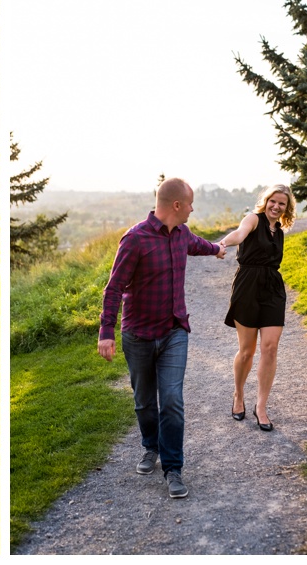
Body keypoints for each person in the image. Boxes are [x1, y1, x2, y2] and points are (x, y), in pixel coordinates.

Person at [98, 178, 226, 499]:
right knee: (144, 401)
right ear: (177, 205)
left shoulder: (182, 234)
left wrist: (218, 249)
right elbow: (113, 289)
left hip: (174, 331)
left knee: (171, 400)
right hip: (138, 335)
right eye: (191, 203)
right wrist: (106, 333)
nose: (194, 209)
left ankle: (173, 468)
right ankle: (149, 447)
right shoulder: (135, 240)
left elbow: (199, 244)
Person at [218, 184, 295, 432]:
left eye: (282, 203)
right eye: (273, 201)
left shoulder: (280, 230)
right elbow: (239, 235)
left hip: (273, 288)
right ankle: (238, 395)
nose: (276, 206)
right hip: (248, 286)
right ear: (266, 201)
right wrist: (222, 243)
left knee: (270, 348)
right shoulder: (253, 219)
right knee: (247, 351)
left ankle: (261, 406)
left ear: (287, 207)